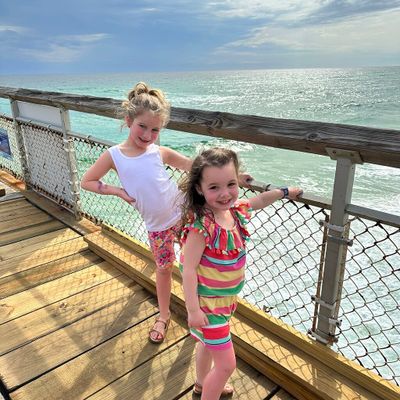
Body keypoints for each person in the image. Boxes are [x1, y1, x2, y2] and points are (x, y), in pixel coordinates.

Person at [81, 83, 252, 345]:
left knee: (196, 266)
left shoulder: (158, 152)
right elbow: (87, 181)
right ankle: (164, 315)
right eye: (142, 126)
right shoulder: (113, 156)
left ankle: (201, 312)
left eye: (155, 130)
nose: (148, 135)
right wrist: (117, 191)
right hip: (157, 226)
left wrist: (235, 178)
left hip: (186, 217)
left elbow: (198, 168)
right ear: (128, 121)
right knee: (163, 269)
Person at [179, 147, 302, 399]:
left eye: (231, 184)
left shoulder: (235, 211)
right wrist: (193, 310)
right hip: (207, 306)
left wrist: (284, 192)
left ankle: (202, 384)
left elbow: (260, 200)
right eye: (214, 187)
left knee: (206, 345)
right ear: (199, 189)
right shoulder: (202, 226)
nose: (225, 194)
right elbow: (188, 269)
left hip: (224, 301)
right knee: (226, 365)